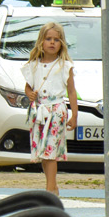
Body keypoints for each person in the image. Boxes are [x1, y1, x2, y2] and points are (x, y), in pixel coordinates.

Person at [22, 22, 78, 197]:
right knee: (43, 152)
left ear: (61, 43)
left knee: (50, 152)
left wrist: (74, 114)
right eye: (48, 39)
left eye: (56, 39)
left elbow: (71, 90)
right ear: (41, 42)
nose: (52, 43)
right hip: (40, 111)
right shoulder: (34, 65)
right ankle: (52, 187)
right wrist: (30, 94)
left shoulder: (65, 66)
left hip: (56, 110)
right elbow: (28, 87)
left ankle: (50, 190)